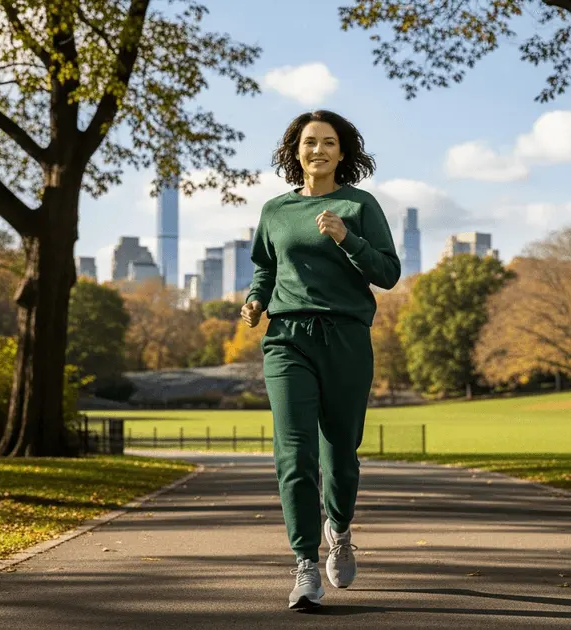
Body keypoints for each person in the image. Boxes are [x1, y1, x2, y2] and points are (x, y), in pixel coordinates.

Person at [240, 110, 401, 610]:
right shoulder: (275, 211)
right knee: (294, 452)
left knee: (340, 456)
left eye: (329, 142)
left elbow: (389, 273)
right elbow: (265, 268)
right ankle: (304, 564)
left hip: (347, 338)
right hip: (287, 337)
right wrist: (254, 300)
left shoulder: (359, 205)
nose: (319, 150)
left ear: (343, 153)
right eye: (310, 142)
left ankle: (341, 527)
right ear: (295, 150)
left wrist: (345, 238)